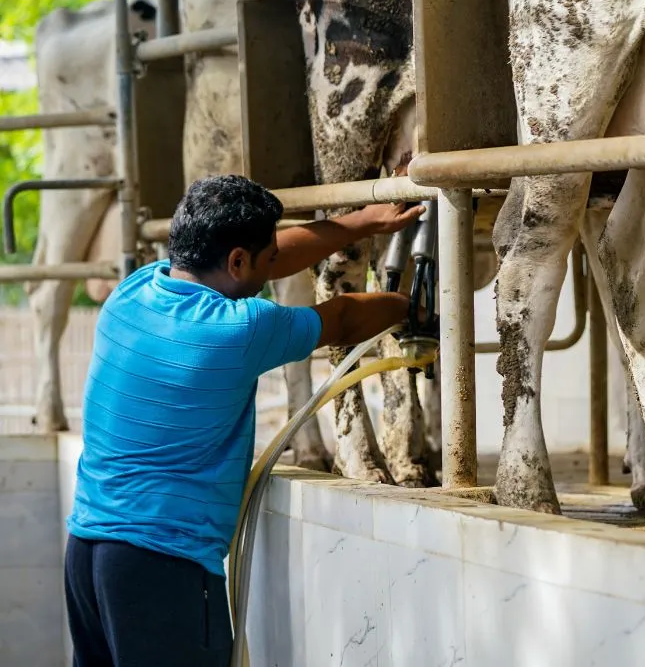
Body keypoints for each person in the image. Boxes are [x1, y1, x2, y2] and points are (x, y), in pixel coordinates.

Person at [62, 174, 425, 667]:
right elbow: (339, 318)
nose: (277, 264)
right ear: (236, 260)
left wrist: (358, 224)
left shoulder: (134, 292)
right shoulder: (238, 330)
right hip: (161, 565)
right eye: (268, 259)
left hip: (87, 551)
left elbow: (267, 256)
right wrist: (413, 308)